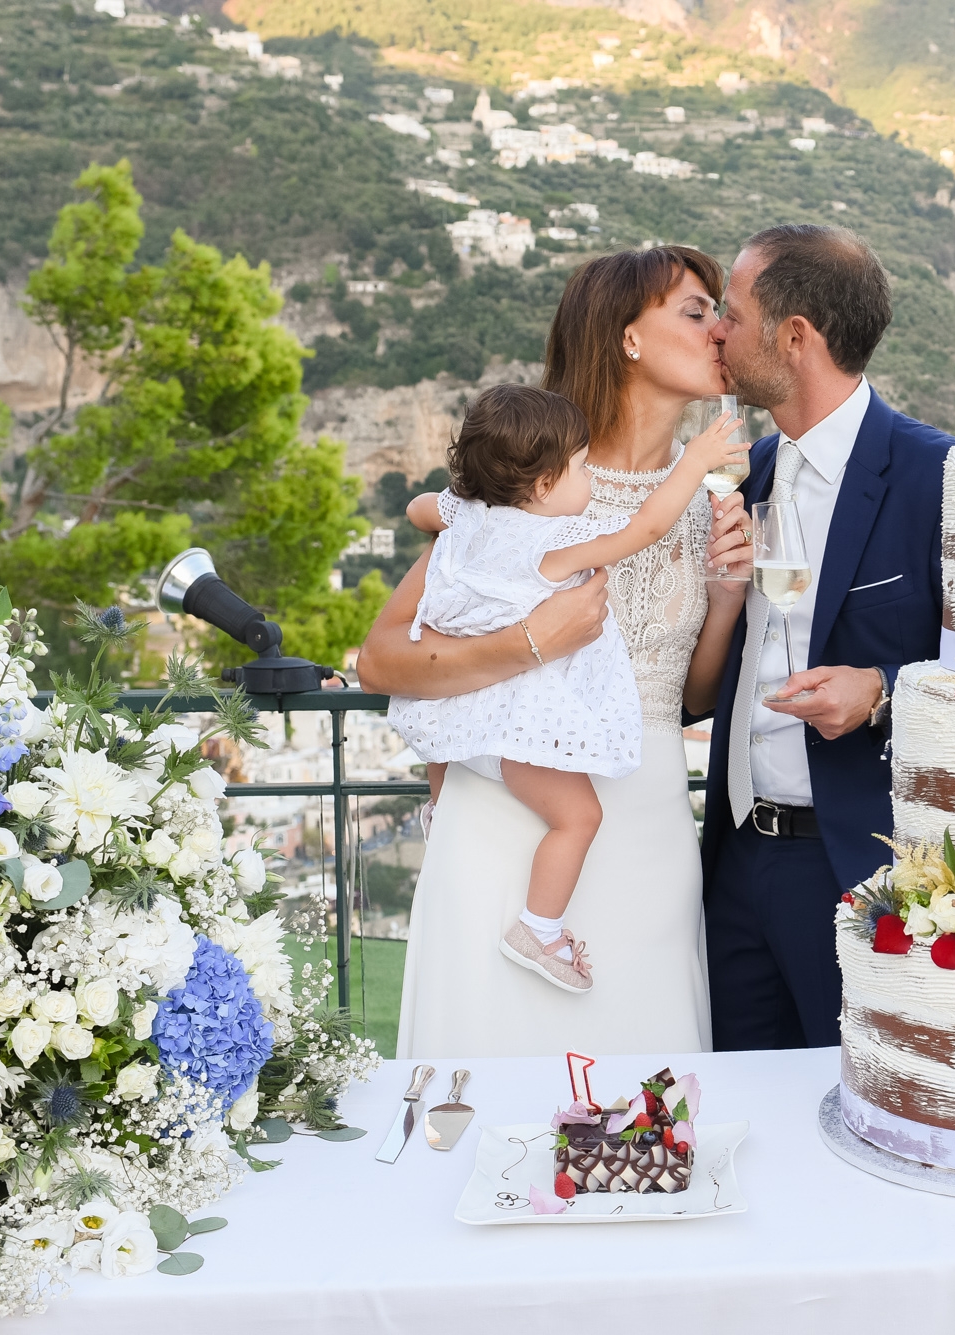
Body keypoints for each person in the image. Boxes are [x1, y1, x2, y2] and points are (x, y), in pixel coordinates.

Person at [360, 245, 752, 1057]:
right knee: (490, 1077)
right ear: (627, 338)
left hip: (645, 817)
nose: (721, 328)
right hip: (510, 809)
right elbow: (384, 660)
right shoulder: (529, 486)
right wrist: (531, 642)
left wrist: (724, 602)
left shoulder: (709, 500)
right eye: (695, 309)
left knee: (648, 1092)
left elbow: (695, 698)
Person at [389, 383, 745, 993]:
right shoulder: (550, 543)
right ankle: (540, 927)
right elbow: (645, 529)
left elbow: (419, 509)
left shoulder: (468, 521)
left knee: (447, 735)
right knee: (579, 816)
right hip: (512, 725)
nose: (589, 481)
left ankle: (438, 807)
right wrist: (695, 460)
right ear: (543, 486)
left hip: (453, 717)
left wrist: (453, 506)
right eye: (580, 468)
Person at [699, 225, 953, 1051]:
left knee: (846, 1121)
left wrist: (880, 689)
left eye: (732, 314)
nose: (716, 333)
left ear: (795, 336)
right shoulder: (754, 471)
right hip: (733, 861)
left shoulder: (934, 475)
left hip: (849, 867)